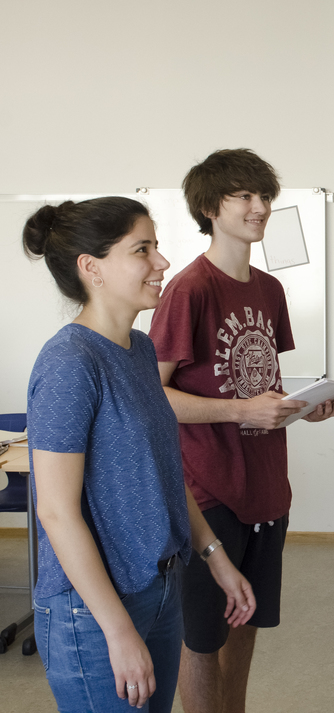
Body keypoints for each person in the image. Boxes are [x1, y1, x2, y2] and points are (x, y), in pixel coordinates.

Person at [23, 197, 256, 713]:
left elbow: (165, 472)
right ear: (92, 268)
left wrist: (216, 558)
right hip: (94, 610)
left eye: (157, 246)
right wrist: (118, 631)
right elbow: (56, 512)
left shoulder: (141, 348)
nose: (162, 262)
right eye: (142, 249)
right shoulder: (70, 362)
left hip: (160, 587)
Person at [148, 149, 334, 713]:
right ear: (211, 208)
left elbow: (255, 381)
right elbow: (153, 399)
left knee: (246, 621)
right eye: (245, 196)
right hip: (207, 491)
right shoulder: (189, 290)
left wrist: (304, 408)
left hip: (265, 487)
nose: (260, 207)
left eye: (264, 196)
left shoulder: (269, 290)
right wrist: (240, 412)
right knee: (203, 637)